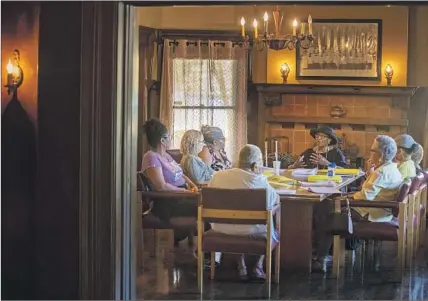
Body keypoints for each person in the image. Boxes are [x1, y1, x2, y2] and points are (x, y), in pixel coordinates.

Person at [312, 135, 402, 273]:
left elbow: (365, 196)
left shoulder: (381, 172)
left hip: (370, 213)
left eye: (372, 150)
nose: (369, 153)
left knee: (327, 212)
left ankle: (321, 259)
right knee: (328, 207)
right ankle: (324, 254)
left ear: (381, 154)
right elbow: (370, 192)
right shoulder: (392, 168)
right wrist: (347, 196)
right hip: (379, 211)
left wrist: (347, 198)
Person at [208, 144, 279, 280]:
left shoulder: (217, 176)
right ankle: (258, 265)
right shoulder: (259, 180)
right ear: (255, 163)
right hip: (252, 230)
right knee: (269, 216)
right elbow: (275, 200)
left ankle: (241, 266)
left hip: (220, 228)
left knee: (236, 218)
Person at [140, 118, 198, 241]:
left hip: (181, 197)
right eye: (169, 137)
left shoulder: (166, 155)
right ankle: (204, 251)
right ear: (162, 140)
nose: (170, 140)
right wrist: (186, 192)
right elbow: (162, 186)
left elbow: (180, 174)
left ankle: (203, 251)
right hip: (169, 202)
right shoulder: (151, 157)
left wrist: (192, 185)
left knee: (207, 203)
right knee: (205, 207)